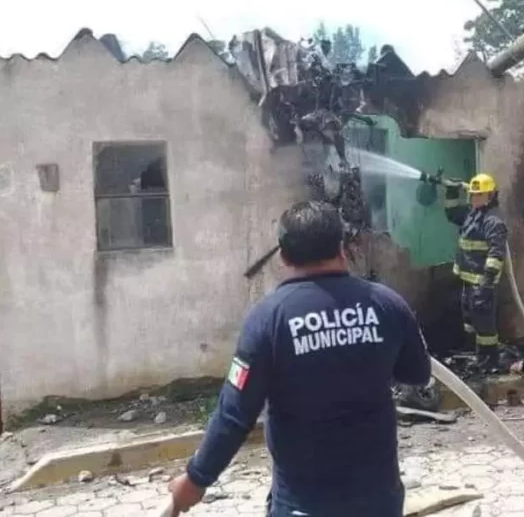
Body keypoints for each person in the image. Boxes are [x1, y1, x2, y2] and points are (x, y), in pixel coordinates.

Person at [165, 201, 431, 517]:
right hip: (378, 501)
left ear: (284, 257)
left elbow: (234, 415)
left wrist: (196, 479)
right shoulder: (387, 304)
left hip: (304, 506)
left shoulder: (268, 319)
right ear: (342, 249)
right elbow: (417, 373)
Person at [443, 173, 508, 372]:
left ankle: (489, 362)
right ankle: (471, 352)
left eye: (479, 195)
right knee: (469, 320)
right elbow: (452, 214)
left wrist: (487, 282)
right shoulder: (472, 213)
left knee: (484, 326)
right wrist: (452, 191)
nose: (474, 199)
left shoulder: (493, 221)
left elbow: (497, 253)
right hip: (467, 281)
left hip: (482, 283)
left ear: (490, 196)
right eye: (473, 195)